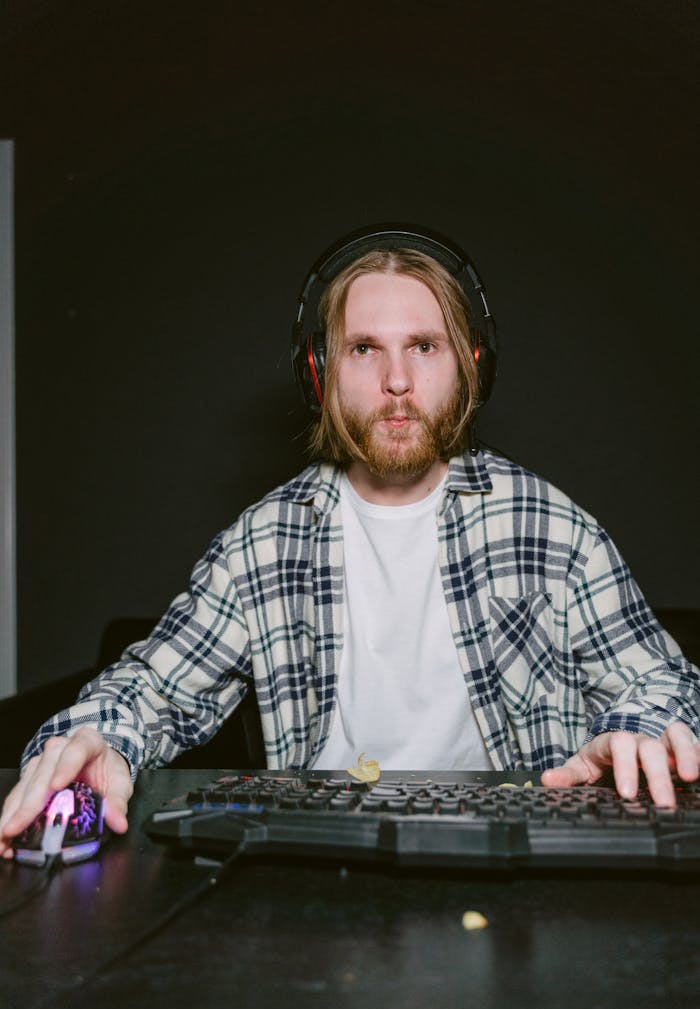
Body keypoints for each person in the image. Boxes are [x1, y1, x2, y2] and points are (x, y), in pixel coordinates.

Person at [2, 227, 699, 857]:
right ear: (320, 373)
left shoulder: (549, 526)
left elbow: (665, 682)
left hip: (515, 874)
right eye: (364, 349)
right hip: (320, 866)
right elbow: (151, 691)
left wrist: (640, 726)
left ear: (470, 366)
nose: (397, 381)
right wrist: (96, 742)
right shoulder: (265, 542)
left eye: (424, 347)